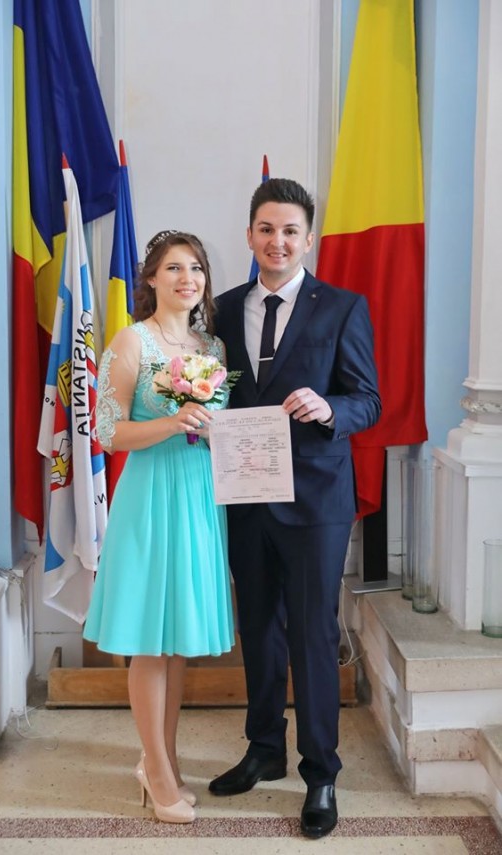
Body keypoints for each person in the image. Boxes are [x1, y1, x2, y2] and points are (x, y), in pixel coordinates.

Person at [210, 178, 381, 839]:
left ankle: (321, 771)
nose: (276, 241)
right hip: (245, 497)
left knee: (311, 632)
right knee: (257, 625)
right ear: (249, 235)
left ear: (308, 239)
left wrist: (330, 407)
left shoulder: (342, 307)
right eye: (265, 229)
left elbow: (368, 400)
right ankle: (264, 748)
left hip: (315, 500)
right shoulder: (222, 311)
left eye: (289, 230)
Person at [84, 230, 235, 825]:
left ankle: (161, 763)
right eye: (173, 268)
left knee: (177, 643)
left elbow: (219, 425)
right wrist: (173, 422)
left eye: (195, 268)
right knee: (151, 638)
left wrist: (220, 431)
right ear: (151, 278)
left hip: (198, 496)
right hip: (150, 494)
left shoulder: (212, 346)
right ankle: (159, 772)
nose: (186, 278)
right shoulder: (132, 341)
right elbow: (107, 432)